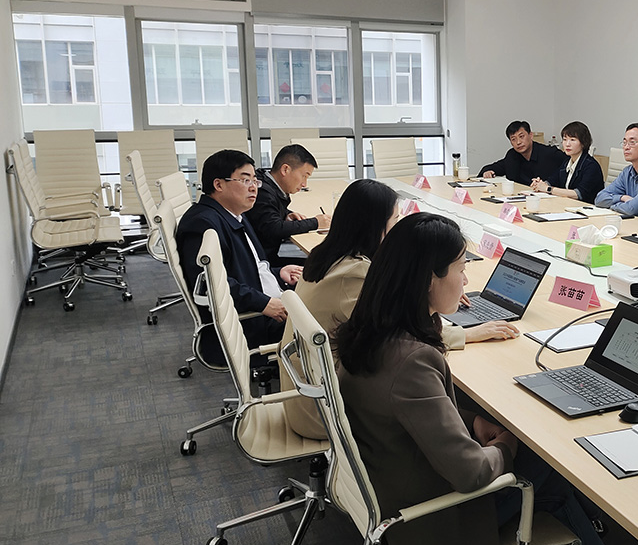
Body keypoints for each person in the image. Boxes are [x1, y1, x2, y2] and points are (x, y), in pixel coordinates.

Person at [336, 212, 638, 545]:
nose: (466, 279)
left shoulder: (372, 330)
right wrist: (507, 443)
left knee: (545, 472)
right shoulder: (413, 360)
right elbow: (470, 473)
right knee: (548, 457)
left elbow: (403, 407)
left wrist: (472, 422)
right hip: (433, 517)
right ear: (429, 279)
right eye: (461, 268)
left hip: (392, 484)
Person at [279, 179, 519, 440]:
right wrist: (469, 333)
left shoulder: (327, 255)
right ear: (374, 226)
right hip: (323, 413)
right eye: (394, 220)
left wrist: (443, 288)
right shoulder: (354, 275)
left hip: (307, 394)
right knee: (427, 385)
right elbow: (397, 336)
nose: (397, 229)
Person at [176, 149, 302, 364]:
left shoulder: (232, 214)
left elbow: (247, 267)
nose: (254, 187)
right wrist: (264, 303)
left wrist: (277, 272)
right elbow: (211, 285)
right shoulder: (203, 225)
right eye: (245, 180)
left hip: (265, 302)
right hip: (252, 323)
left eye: (255, 180)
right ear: (218, 185)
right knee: (331, 318)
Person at [245, 143, 331, 265]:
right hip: (263, 264)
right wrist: (316, 222)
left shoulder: (267, 183)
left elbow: (269, 215)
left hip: (265, 256)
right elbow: (274, 229)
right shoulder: (262, 192)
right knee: (320, 265)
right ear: (285, 169)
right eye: (304, 176)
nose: (304, 184)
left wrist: (286, 214)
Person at [529, 120, 604, 204]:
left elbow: (578, 194)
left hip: (587, 208)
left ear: (583, 143)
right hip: (568, 205)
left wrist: (548, 189)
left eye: (572, 140)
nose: (567, 144)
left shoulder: (591, 166)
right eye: (565, 139)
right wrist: (540, 184)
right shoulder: (567, 161)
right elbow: (553, 180)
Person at [478, 120, 567, 185]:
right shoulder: (512, 155)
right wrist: (487, 172)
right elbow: (493, 167)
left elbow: (569, 163)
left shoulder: (549, 153)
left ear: (530, 135)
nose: (518, 142)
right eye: (513, 139)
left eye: (521, 136)